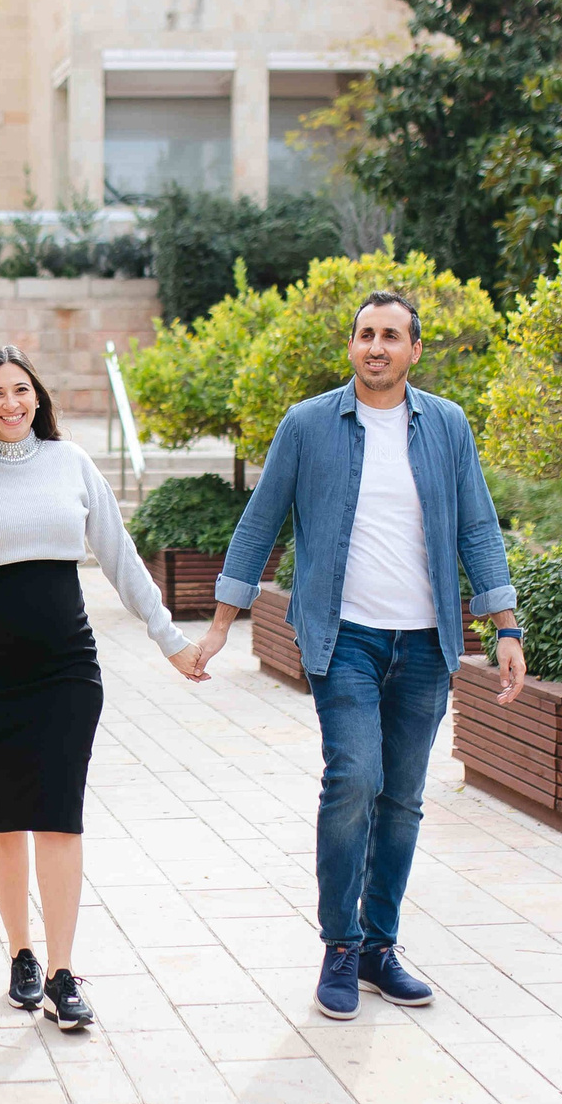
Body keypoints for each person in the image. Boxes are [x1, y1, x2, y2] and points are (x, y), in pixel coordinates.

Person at [179, 291, 524, 1020]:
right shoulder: (308, 425)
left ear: (414, 350)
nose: (377, 346)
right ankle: (340, 946)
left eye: (392, 336)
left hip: (428, 644)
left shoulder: (447, 427)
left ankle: (379, 948)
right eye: (366, 334)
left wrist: (507, 626)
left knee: (402, 799)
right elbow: (260, 520)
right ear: (351, 346)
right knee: (354, 780)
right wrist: (219, 625)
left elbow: (478, 527)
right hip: (346, 640)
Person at [0, 345, 203, 1031]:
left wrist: (172, 641)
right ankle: (20, 952)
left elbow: (120, 557)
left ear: (37, 397)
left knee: (60, 812)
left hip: (65, 669)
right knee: (3, 815)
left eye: (21, 390)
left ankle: (63, 972)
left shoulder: (72, 464)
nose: (11, 404)